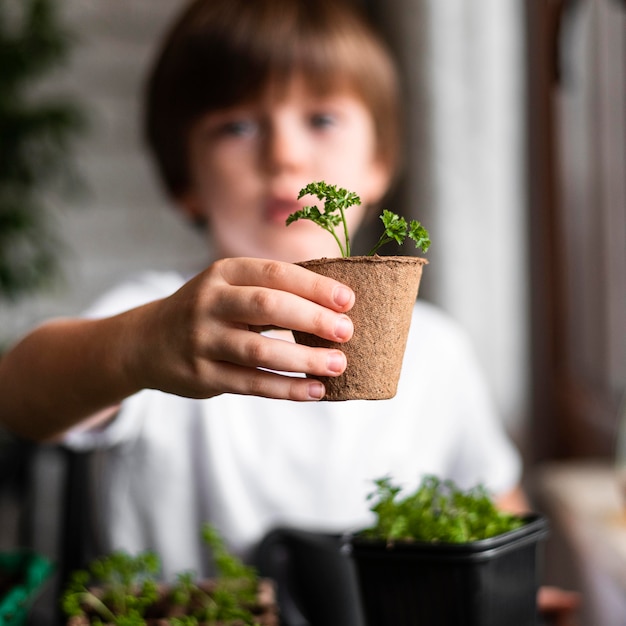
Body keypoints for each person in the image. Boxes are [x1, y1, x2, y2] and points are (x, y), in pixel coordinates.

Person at [0, 0, 578, 622]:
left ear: (379, 162)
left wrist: (511, 587)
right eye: (237, 127)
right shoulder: (159, 318)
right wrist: (139, 345)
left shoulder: (436, 350)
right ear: (184, 178)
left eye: (322, 119)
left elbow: (496, 501)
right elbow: (20, 395)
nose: (284, 156)